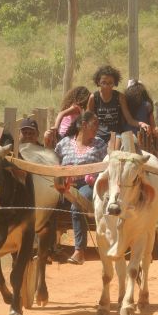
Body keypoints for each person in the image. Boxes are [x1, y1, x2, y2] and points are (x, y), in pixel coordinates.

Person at [54, 111, 107, 265]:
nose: (98, 127)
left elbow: (108, 165)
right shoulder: (64, 143)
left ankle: (79, 252)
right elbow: (53, 161)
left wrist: (95, 177)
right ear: (83, 125)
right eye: (95, 124)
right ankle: (46, 246)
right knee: (45, 204)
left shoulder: (100, 144)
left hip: (88, 186)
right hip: (63, 186)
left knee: (77, 205)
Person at [87, 65, 150, 143]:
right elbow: (87, 119)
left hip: (116, 135)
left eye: (110, 83)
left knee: (123, 145)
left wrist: (141, 124)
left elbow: (129, 120)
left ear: (115, 83)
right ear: (98, 82)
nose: (106, 86)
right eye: (104, 83)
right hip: (98, 136)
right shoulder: (94, 98)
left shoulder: (119, 97)